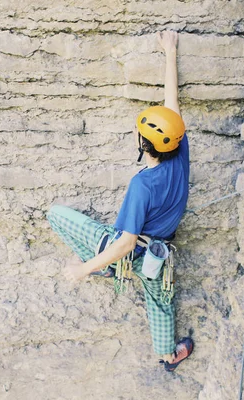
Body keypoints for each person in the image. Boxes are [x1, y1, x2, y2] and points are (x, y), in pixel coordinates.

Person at [47, 30, 194, 371]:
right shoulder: (180, 149)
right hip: (160, 260)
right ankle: (169, 356)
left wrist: (83, 269)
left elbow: (126, 241)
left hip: (132, 253)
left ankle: (105, 268)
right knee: (160, 304)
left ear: (143, 145)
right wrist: (169, 52)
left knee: (57, 215)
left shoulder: (141, 185)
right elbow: (172, 109)